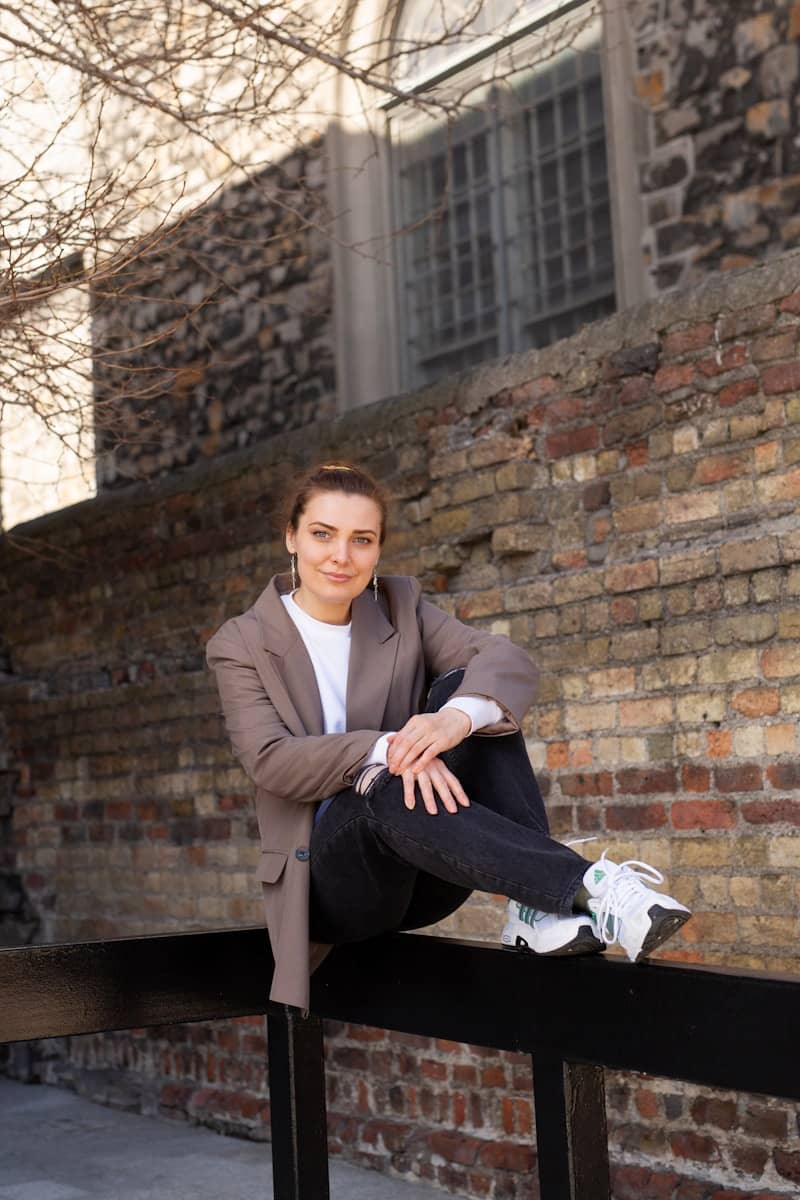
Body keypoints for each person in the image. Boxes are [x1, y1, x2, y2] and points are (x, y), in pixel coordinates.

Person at [206, 462, 690, 1011]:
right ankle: (583, 886)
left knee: (470, 690)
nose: (341, 556)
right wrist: (388, 748)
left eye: (361, 540)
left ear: (378, 551)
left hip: (428, 867)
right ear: (291, 537)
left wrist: (453, 720)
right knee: (383, 782)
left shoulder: (399, 607)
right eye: (323, 534)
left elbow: (505, 660)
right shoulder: (242, 643)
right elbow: (271, 759)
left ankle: (538, 907)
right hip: (333, 885)